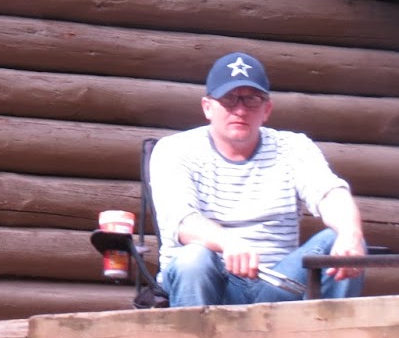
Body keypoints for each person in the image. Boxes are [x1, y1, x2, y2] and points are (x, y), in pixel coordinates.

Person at [148, 51, 365, 307]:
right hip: (211, 284)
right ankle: (194, 333)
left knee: (340, 242)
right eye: (229, 99)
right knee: (193, 258)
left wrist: (350, 234)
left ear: (267, 109)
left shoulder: (293, 147)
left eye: (252, 99)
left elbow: (330, 194)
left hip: (278, 284)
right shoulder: (174, 149)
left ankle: (328, 331)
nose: (240, 110)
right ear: (207, 107)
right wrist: (228, 242)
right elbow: (182, 222)